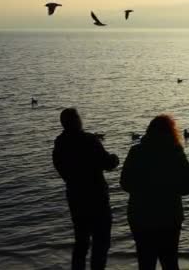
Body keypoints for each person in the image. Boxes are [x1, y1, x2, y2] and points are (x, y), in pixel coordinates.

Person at [120, 115, 189, 270]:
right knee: (170, 262)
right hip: (169, 216)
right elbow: (188, 187)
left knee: (145, 262)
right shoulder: (176, 153)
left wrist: (143, 188)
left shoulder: (136, 152)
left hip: (140, 216)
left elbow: (124, 183)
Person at [52, 108, 119, 270]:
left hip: (75, 198)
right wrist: (115, 158)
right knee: (101, 242)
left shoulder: (59, 146)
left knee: (81, 242)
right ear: (77, 121)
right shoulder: (89, 140)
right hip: (97, 198)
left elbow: (63, 171)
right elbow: (108, 163)